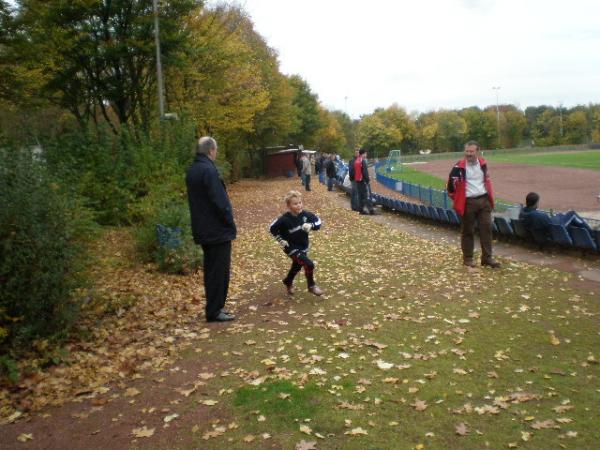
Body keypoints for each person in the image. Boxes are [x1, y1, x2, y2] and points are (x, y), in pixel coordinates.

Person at [186, 136, 237, 322]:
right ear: (211, 150)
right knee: (219, 271)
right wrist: (229, 221)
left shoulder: (193, 170)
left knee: (211, 270)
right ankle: (215, 310)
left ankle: (214, 307)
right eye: (215, 150)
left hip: (203, 228)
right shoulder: (209, 170)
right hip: (216, 230)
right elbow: (220, 201)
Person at [447, 140, 500, 268]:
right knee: (467, 231)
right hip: (468, 202)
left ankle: (487, 258)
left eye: (471, 151)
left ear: (477, 151)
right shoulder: (458, 167)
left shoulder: (483, 164)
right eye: (467, 151)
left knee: (486, 229)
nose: (469, 154)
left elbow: (486, 181)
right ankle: (468, 258)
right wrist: (459, 199)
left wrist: (488, 198)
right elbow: (450, 187)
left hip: (484, 201)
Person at [269, 190, 323, 296]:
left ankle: (288, 281)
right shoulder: (284, 219)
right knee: (309, 264)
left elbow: (318, 222)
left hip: (303, 246)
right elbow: (272, 228)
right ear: (289, 205)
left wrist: (311, 225)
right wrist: (280, 240)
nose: (299, 206)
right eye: (295, 204)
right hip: (291, 247)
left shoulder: (306, 215)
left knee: (297, 266)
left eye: (300, 203)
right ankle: (311, 286)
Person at [354, 148, 375, 215]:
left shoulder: (357, 160)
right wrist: (367, 180)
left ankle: (361, 210)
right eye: (365, 153)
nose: (366, 154)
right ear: (363, 153)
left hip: (357, 180)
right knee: (367, 195)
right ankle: (371, 210)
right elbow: (365, 172)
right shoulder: (362, 161)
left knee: (360, 196)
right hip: (363, 180)